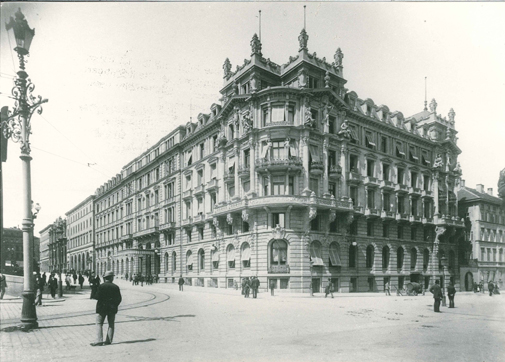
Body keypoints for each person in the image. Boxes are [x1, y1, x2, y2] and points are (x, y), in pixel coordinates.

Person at [90, 270, 122, 347]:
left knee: (99, 323)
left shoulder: (101, 286)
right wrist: (114, 305)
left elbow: (96, 297)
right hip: (112, 308)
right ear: (111, 278)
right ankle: (108, 340)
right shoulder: (116, 287)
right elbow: (119, 299)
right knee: (111, 324)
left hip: (102, 308)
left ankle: (99, 341)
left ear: (105, 278)